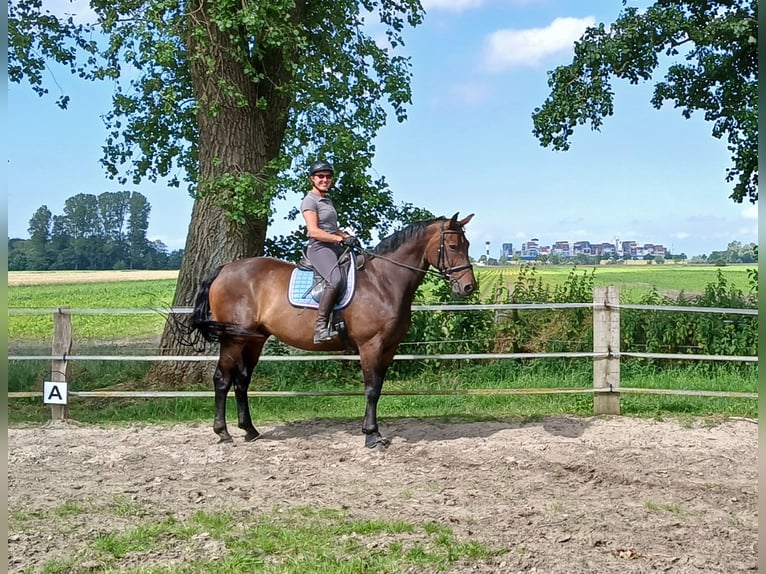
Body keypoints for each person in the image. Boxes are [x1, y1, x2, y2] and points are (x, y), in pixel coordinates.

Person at [300, 160, 360, 343]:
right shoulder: (309, 200)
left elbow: (333, 228)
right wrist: (339, 239)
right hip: (319, 247)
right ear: (312, 179)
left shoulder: (327, 200)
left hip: (333, 245)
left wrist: (347, 235)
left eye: (328, 177)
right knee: (335, 279)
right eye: (320, 176)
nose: (324, 179)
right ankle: (320, 327)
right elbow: (314, 231)